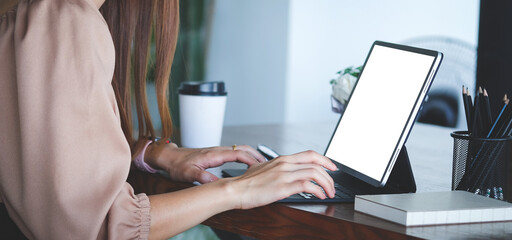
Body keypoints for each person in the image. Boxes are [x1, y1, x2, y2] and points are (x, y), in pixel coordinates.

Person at [0, 0, 336, 239]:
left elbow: (36, 145)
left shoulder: (32, 13)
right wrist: (239, 188)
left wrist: (153, 153)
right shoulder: (65, 18)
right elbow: (96, 228)